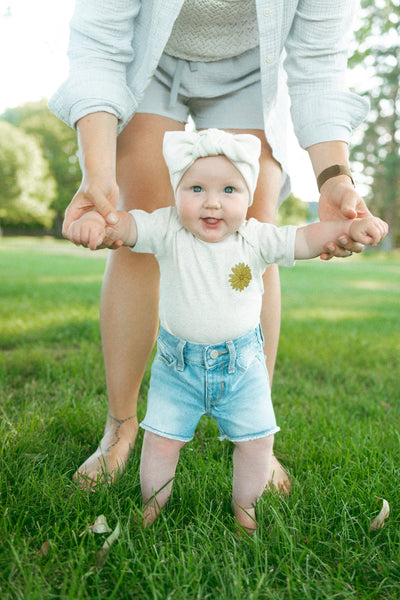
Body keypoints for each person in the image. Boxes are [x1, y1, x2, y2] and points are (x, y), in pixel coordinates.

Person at [50, 0, 374, 491]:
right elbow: (98, 41)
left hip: (249, 68)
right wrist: (99, 174)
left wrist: (334, 178)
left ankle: (254, 430)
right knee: (136, 222)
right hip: (149, 55)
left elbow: (320, 64)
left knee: (254, 227)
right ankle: (120, 425)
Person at [67, 128, 388, 531]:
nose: (212, 203)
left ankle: (246, 511)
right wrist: (99, 225)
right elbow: (126, 227)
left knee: (255, 443)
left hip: (243, 368)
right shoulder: (168, 228)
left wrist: (348, 229)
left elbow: (305, 237)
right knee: (161, 440)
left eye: (230, 190)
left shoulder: (255, 237)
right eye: (196, 188)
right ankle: (151, 507)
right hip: (177, 367)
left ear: (249, 196)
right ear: (177, 191)